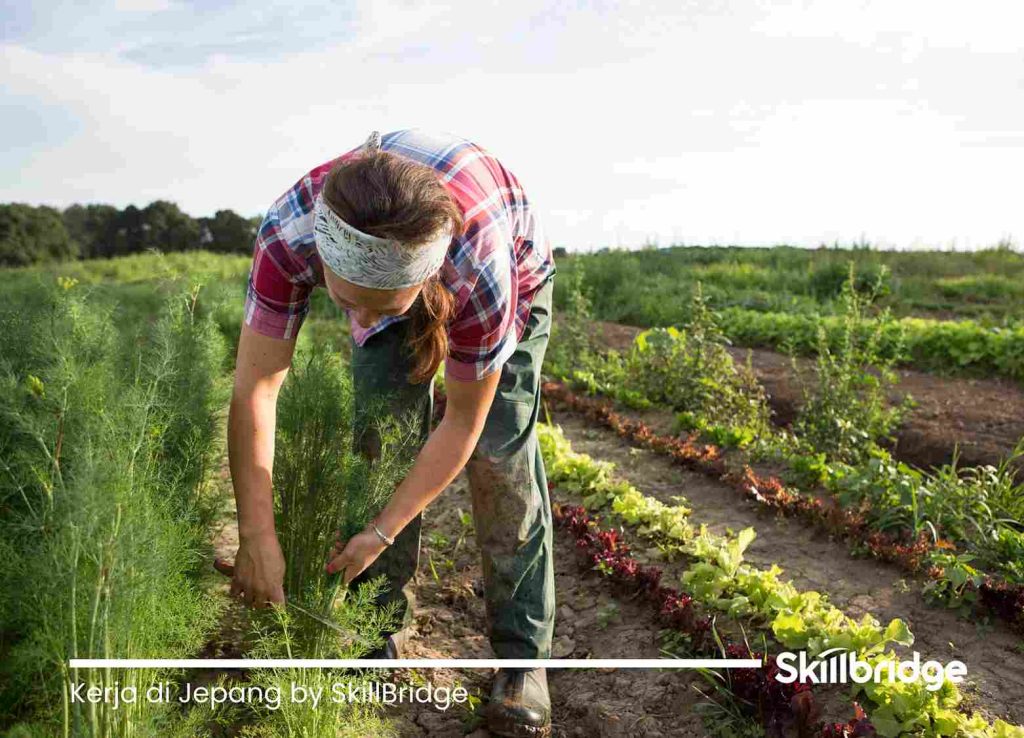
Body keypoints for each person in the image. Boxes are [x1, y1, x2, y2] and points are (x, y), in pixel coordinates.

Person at [224, 128, 556, 737]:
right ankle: (376, 633)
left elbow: (461, 421)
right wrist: (255, 533)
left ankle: (521, 660)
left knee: (499, 456)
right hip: (394, 271)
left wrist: (380, 533)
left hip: (509, 267)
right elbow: (255, 389)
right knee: (379, 444)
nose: (365, 321)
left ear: (422, 281)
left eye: (385, 309)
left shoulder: (478, 266)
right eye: (349, 303)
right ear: (323, 260)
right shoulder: (288, 235)